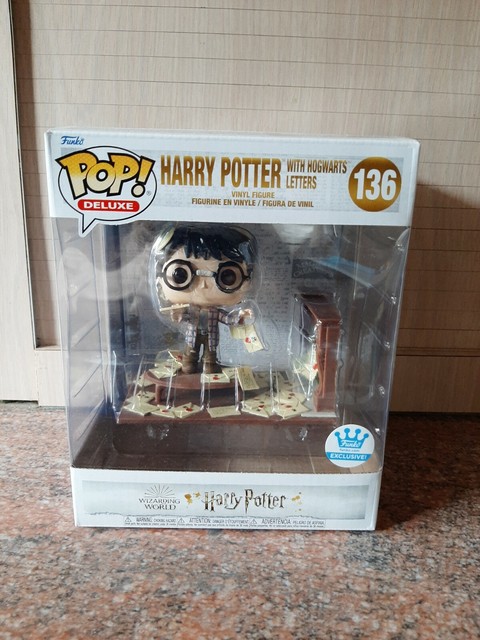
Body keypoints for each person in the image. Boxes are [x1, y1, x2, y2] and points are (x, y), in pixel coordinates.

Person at [152, 224, 257, 374]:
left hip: (211, 337)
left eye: (227, 276)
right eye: (181, 274)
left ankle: (209, 364)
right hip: (192, 336)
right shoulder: (191, 310)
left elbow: (227, 318)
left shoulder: (215, 312)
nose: (203, 285)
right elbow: (182, 317)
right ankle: (189, 363)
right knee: (190, 355)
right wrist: (177, 314)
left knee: (210, 356)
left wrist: (240, 315)